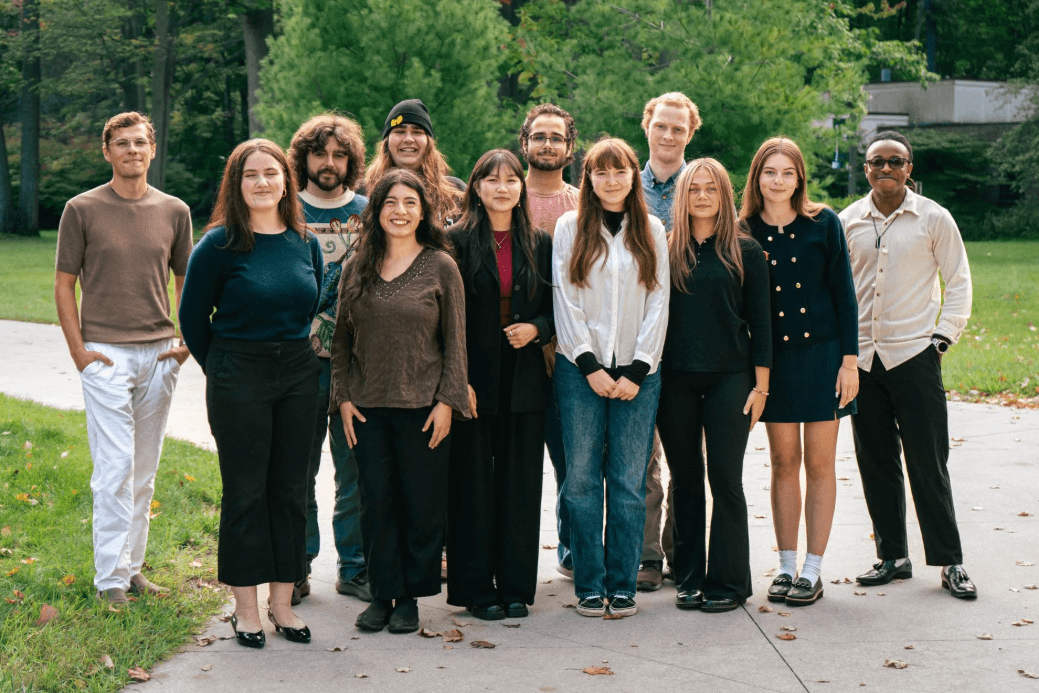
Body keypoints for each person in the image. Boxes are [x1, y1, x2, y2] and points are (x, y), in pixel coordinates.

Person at [180, 139, 322, 648]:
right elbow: (193, 319)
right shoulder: (218, 245)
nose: (262, 182)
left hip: (300, 375)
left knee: (289, 489)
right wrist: (221, 368)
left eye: (271, 172)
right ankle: (246, 610)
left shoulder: (303, 241)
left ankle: (282, 604)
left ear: (286, 179)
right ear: (236, 185)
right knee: (246, 491)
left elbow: (308, 306)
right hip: (239, 372)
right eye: (250, 175)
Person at [55, 111, 192, 605]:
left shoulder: (174, 210)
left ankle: (132, 568)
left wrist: (184, 341)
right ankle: (109, 581)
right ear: (107, 151)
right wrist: (79, 353)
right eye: (122, 143)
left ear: (152, 150)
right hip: (105, 356)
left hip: (159, 355)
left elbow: (186, 280)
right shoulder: (82, 208)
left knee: (143, 470)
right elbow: (64, 283)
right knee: (113, 468)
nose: (132, 150)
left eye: (140, 143)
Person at [330, 169, 470, 634]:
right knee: (376, 503)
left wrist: (448, 401)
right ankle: (381, 594)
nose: (400, 211)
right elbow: (342, 341)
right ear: (377, 210)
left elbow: (456, 342)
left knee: (421, 505)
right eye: (391, 202)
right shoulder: (358, 266)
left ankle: (409, 596)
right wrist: (343, 399)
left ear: (423, 212)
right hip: (367, 408)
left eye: (410, 203)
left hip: (424, 408)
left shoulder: (440, 266)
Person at [839, 131, 976, 599]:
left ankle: (950, 561)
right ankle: (892, 556)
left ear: (909, 168)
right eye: (877, 162)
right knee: (875, 460)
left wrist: (942, 338)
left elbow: (959, 281)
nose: (885, 169)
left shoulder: (934, 219)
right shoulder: (847, 222)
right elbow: (835, 290)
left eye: (895, 161)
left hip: (915, 356)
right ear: (867, 169)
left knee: (928, 462)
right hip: (862, 362)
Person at [553, 137, 669, 618]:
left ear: (632, 176)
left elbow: (659, 300)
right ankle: (589, 581)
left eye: (620, 170)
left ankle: (622, 583)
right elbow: (565, 296)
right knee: (580, 479)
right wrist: (589, 366)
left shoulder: (653, 230)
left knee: (626, 480)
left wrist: (639, 368)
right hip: (580, 371)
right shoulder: (570, 226)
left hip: (639, 376)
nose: (611, 180)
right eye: (601, 172)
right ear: (589, 178)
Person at [742, 137, 858, 607]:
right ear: (757, 177)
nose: (778, 180)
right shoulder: (743, 229)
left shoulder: (824, 222)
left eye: (787, 172)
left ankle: (813, 568)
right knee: (784, 463)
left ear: (799, 178)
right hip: (776, 364)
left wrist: (849, 361)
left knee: (820, 464)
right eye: (770, 171)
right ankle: (786, 564)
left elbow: (845, 294)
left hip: (825, 359)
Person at [656, 159, 771, 613]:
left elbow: (761, 326)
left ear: (725, 196)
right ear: (682, 197)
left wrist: (760, 388)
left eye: (711, 189)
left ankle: (728, 582)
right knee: (685, 479)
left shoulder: (746, 251)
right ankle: (687, 577)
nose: (702, 196)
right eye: (694, 189)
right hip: (676, 380)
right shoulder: (665, 250)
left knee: (725, 479)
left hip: (731, 379)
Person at [447, 149, 554, 620]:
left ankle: (514, 586)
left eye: (511, 179)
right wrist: (456, 380)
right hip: (472, 378)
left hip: (526, 379)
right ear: (476, 187)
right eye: (491, 179)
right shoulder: (454, 242)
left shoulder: (540, 241)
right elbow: (445, 318)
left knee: (520, 484)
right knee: (472, 484)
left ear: (521, 188)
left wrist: (538, 329)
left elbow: (560, 308)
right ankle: (475, 587)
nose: (503, 187)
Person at [286, 113, 371, 605]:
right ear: (304, 157)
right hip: (298, 362)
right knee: (298, 470)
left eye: (339, 154)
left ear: (351, 161)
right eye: (320, 153)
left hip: (357, 364)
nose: (329, 163)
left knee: (355, 470)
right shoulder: (285, 209)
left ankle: (355, 567)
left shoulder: (368, 210)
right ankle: (296, 567)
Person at [636, 92, 703, 591]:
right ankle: (646, 556)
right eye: (662, 125)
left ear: (690, 133)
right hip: (634, 338)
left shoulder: (702, 190)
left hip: (688, 340)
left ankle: (681, 548)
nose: (668, 135)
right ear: (647, 126)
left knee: (685, 456)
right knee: (640, 454)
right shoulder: (622, 186)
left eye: (678, 129)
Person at [518, 102, 580, 577]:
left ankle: (572, 549)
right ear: (524, 143)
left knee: (572, 462)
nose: (546, 144)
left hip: (568, 357)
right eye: (539, 136)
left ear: (569, 147)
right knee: (512, 465)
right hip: (512, 352)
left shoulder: (584, 203)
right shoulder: (502, 195)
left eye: (555, 137)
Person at [362, 98, 464, 228]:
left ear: (429, 143)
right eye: (399, 131)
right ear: (387, 142)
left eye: (417, 132)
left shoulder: (456, 193)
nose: (408, 139)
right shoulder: (363, 193)